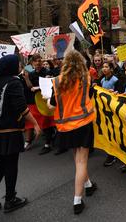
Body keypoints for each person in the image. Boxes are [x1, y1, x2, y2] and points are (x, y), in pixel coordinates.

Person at [0, 54, 41, 213]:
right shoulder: (13, 82)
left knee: (2, 161)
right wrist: (35, 123)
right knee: (11, 163)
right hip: (9, 129)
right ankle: (10, 198)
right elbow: (21, 107)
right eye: (18, 64)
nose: (20, 67)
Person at [48, 51, 98, 214]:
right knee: (81, 161)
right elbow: (88, 97)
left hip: (65, 127)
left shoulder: (56, 82)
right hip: (83, 122)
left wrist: (47, 100)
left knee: (77, 158)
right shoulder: (86, 78)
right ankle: (77, 200)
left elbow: (52, 105)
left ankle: (88, 185)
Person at [21, 54, 55, 154]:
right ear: (32, 63)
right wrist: (26, 78)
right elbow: (30, 87)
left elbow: (49, 85)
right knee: (32, 121)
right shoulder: (31, 74)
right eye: (36, 61)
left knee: (46, 122)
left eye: (39, 60)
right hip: (34, 101)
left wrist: (39, 87)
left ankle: (48, 144)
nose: (38, 63)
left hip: (45, 100)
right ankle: (28, 141)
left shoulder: (47, 72)